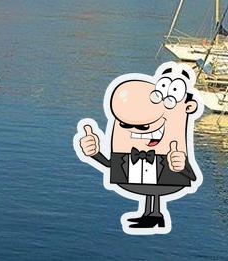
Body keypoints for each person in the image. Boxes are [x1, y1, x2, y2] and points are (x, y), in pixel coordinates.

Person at [75, 64, 202, 232]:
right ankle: (152, 215)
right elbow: (109, 165)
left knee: (154, 190)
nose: (138, 129)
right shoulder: (126, 154)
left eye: (144, 126)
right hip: (140, 178)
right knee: (151, 191)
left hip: (165, 179)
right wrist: (93, 153)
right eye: (125, 125)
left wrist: (181, 165)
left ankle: (155, 214)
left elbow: (190, 176)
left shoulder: (173, 152)